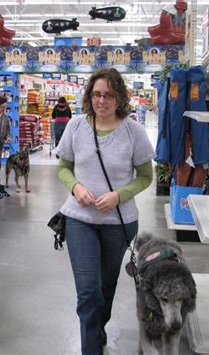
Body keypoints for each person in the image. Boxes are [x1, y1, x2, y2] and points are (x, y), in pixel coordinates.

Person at [56, 67, 155, 355]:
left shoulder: (133, 131)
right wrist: (75, 187)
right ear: (89, 96)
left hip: (118, 223)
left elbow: (146, 176)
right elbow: (63, 167)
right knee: (88, 291)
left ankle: (97, 329)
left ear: (119, 97)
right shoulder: (75, 127)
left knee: (106, 288)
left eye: (109, 95)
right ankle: (91, 348)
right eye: (97, 94)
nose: (102, 101)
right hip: (79, 220)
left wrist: (118, 196)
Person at [0, 96, 11, 184]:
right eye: (3, 107)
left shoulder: (6, 118)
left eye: (5, 107)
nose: (4, 109)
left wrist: (8, 137)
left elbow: (8, 130)